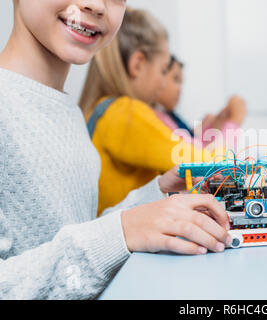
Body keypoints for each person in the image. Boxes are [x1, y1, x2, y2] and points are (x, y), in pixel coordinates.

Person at [0, 1, 231, 300]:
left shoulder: (65, 110)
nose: (96, 5)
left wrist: (155, 196)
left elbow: (71, 234)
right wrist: (119, 232)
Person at [79, 9, 224, 214]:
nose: (163, 83)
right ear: (137, 65)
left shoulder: (100, 110)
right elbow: (204, 162)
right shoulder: (125, 113)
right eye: (163, 70)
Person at [153, 55, 247, 148]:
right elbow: (196, 157)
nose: (180, 89)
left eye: (181, 82)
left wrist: (212, 127)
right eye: (176, 79)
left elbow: (195, 147)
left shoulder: (168, 116)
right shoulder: (159, 120)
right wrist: (233, 123)